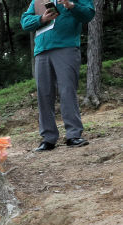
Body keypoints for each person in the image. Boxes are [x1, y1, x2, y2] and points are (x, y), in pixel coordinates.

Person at [21, 0, 95, 151]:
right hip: (41, 51)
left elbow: (88, 14)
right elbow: (25, 22)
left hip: (66, 47)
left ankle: (73, 135)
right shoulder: (38, 0)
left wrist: (71, 5)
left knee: (67, 90)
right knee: (44, 94)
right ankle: (48, 138)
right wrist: (41, 19)